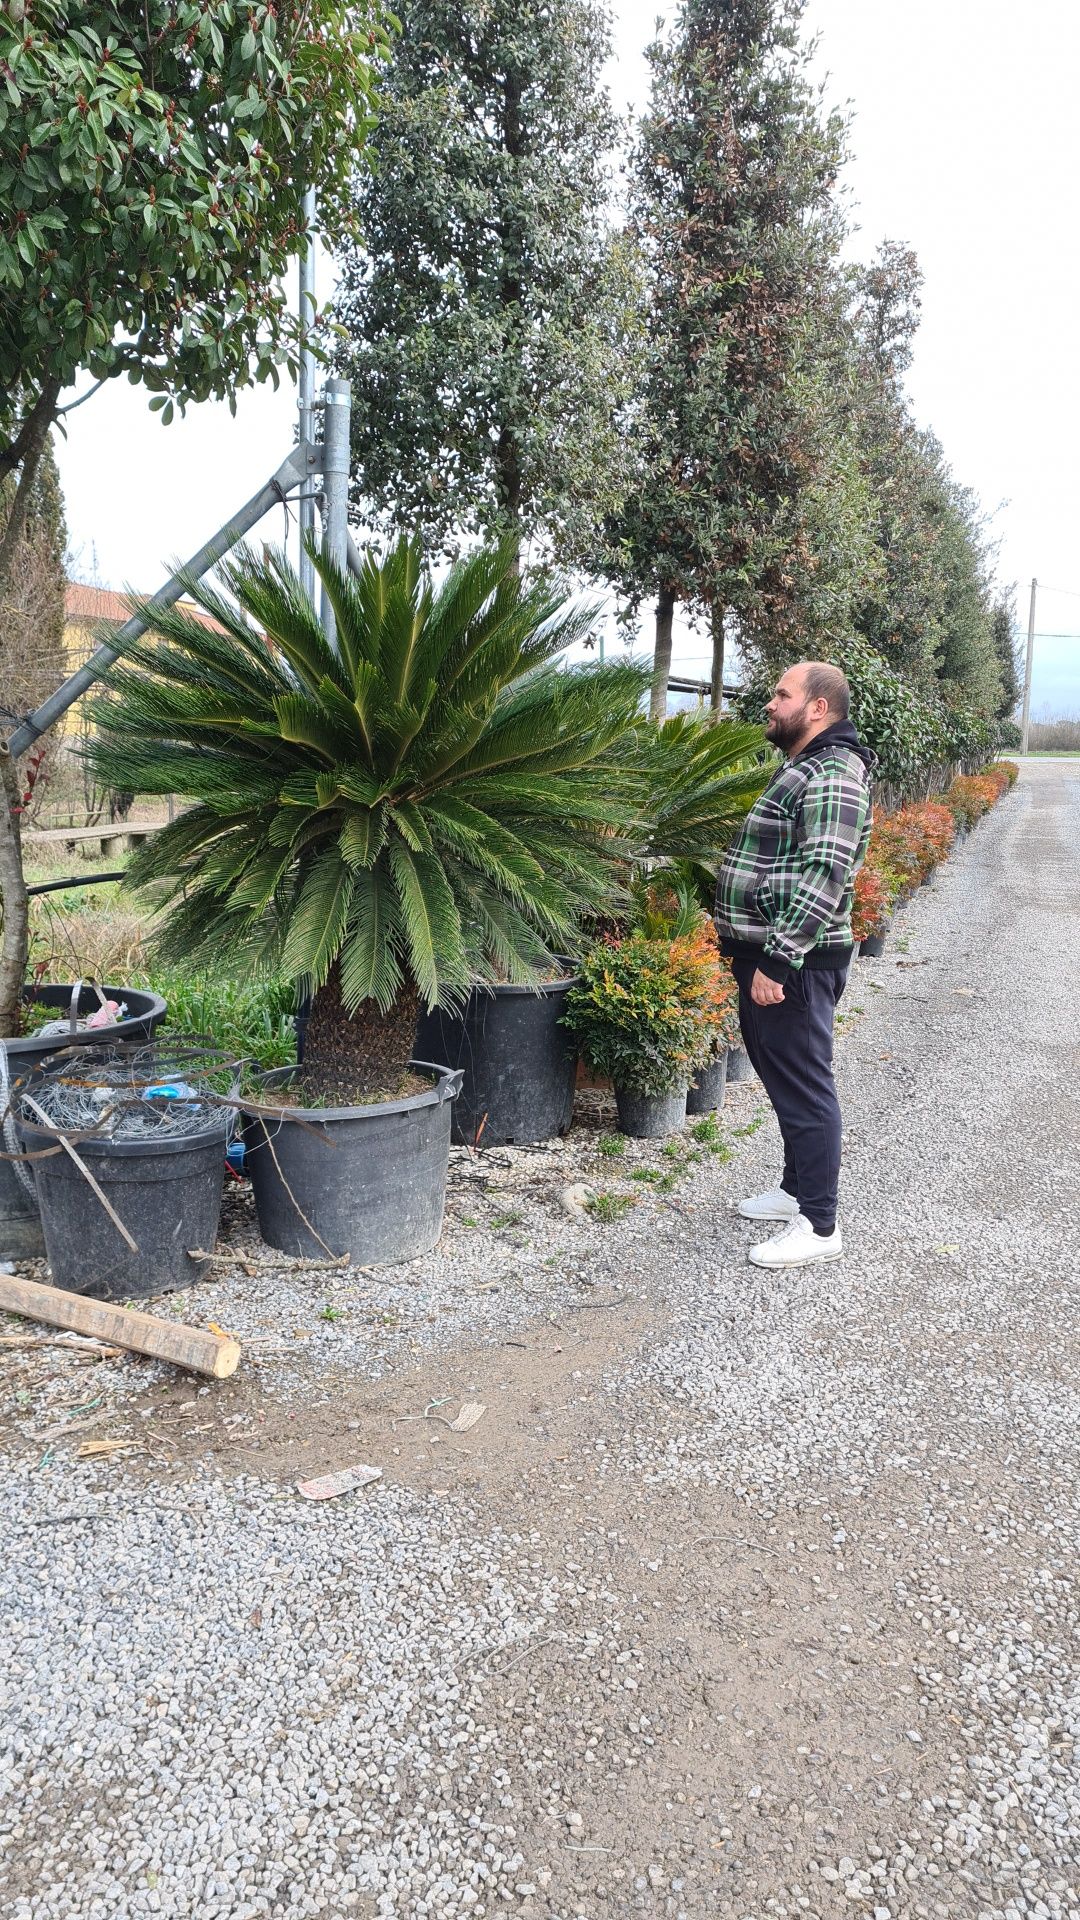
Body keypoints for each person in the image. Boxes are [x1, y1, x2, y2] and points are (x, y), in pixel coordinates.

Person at [714, 661, 875, 1269]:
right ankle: (794, 1191)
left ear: (818, 708)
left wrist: (779, 963)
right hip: (773, 954)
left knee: (806, 1085)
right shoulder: (806, 767)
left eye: (782, 694)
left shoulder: (834, 772)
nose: (770, 703)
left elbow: (825, 875)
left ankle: (821, 1223)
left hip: (796, 962)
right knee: (783, 1076)